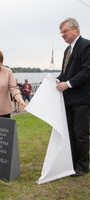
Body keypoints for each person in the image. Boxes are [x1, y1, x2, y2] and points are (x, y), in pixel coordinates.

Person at [56, 18, 90, 177]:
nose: (62, 35)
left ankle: (83, 166)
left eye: (65, 32)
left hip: (82, 100)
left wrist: (68, 84)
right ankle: (72, 164)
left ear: (76, 29)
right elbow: (65, 72)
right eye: (61, 33)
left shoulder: (86, 45)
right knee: (70, 132)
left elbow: (87, 71)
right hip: (68, 100)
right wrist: (58, 79)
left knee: (80, 134)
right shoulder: (67, 50)